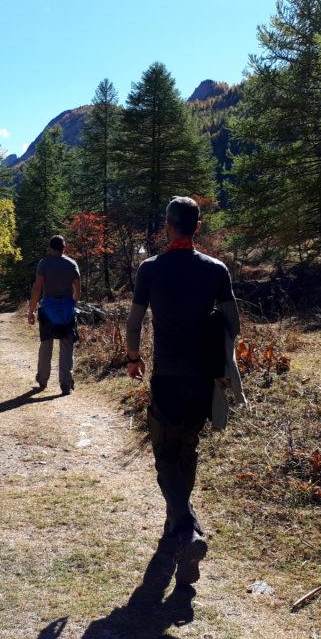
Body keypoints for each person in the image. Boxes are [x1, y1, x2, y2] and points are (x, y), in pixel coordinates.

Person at [125, 196, 240, 590]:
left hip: (167, 375)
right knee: (187, 446)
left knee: (163, 452)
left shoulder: (151, 269)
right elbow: (233, 323)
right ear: (198, 225)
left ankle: (186, 528)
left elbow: (136, 319)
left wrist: (133, 357)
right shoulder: (216, 269)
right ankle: (177, 524)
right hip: (203, 378)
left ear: (167, 226)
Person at [28, 235, 82, 395]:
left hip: (47, 310)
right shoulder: (72, 264)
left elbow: (37, 289)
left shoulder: (43, 264)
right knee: (66, 345)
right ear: (64, 248)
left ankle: (42, 381)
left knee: (46, 345)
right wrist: (72, 303)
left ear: (50, 248)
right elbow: (77, 290)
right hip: (66, 310)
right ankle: (66, 383)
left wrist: (31, 310)